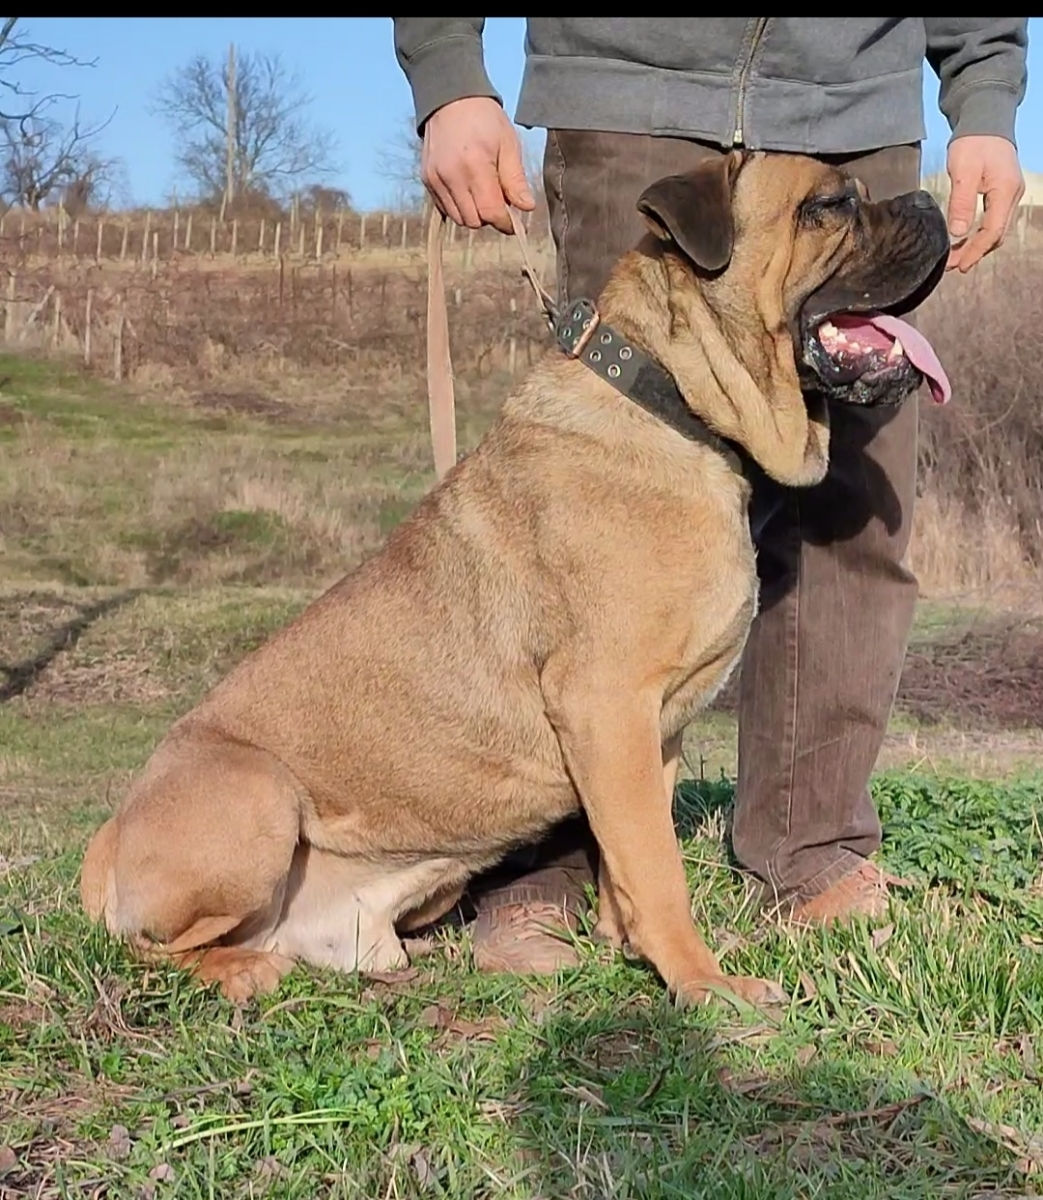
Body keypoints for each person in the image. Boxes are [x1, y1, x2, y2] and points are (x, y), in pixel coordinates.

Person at [391, 18, 1029, 974]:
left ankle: (810, 847)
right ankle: (547, 879)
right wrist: (448, 72)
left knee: (851, 509)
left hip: (849, 93)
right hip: (627, 85)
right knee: (593, 515)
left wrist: (982, 86)